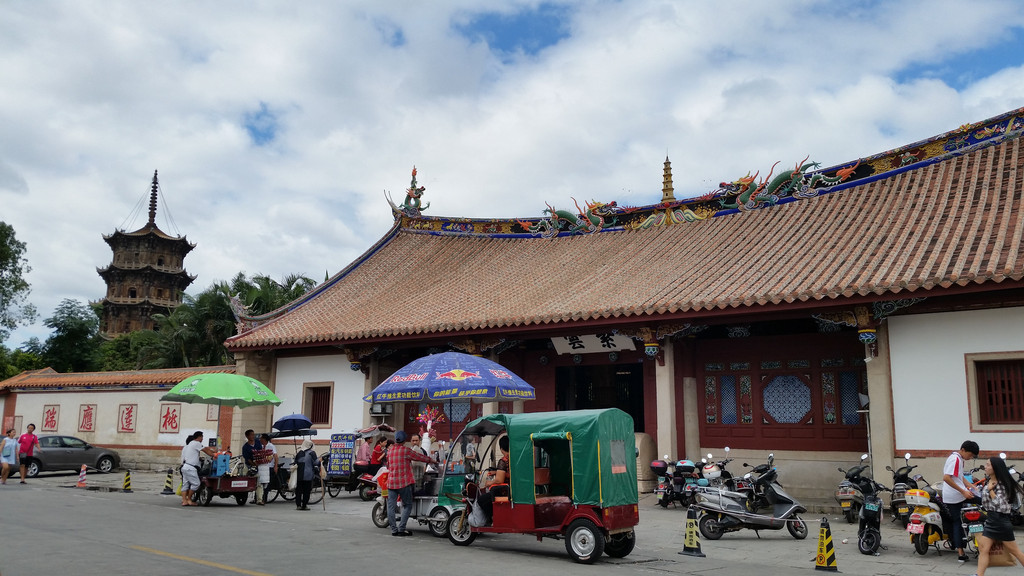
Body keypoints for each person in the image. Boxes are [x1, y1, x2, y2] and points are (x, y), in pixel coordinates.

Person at [974, 456, 1024, 576]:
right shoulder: (989, 481)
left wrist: (991, 491)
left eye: (988, 465)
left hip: (1000, 521)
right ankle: (979, 575)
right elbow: (986, 502)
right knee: (983, 549)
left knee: (1015, 551)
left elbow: (1001, 506)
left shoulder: (1001, 484)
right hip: (992, 519)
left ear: (995, 468)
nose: (985, 467)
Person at [385, 430, 434, 536]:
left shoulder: (390, 451)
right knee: (407, 505)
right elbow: (419, 457)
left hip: (391, 483)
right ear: (405, 440)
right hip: (403, 483)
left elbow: (388, 466)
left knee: (391, 507)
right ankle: (401, 529)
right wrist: (431, 460)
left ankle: (394, 530)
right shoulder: (406, 450)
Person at [942, 439, 981, 562]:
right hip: (955, 496)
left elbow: (959, 476)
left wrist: (971, 486)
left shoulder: (958, 458)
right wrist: (963, 491)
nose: (970, 458)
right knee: (958, 522)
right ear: (963, 450)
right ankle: (960, 552)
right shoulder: (955, 459)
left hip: (958, 494)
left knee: (960, 521)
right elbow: (947, 478)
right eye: (970, 455)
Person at [476, 435, 510, 524]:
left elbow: (499, 480)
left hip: (504, 491)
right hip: (513, 489)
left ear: (501, 448)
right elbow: (510, 474)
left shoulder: (503, 461)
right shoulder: (514, 458)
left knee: (481, 500)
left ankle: (493, 518)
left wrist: (489, 483)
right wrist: (496, 472)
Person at [181, 431, 217, 506]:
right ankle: (189, 499)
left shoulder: (191, 443)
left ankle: (184, 501)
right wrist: (214, 454)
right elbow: (206, 451)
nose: (202, 439)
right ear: (199, 437)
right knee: (196, 484)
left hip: (185, 466)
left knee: (185, 484)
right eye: (202, 437)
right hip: (191, 468)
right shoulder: (197, 443)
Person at [294, 439, 320, 510]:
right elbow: (316, 462)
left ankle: (298, 505)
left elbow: (295, 462)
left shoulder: (299, 453)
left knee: (298, 490)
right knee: (306, 490)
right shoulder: (312, 453)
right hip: (308, 475)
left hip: (299, 474)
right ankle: (304, 505)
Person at [255, 433, 277, 505]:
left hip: (269, 467)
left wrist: (275, 466)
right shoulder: (259, 446)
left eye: (261, 438)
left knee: (266, 483)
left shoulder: (271, 446)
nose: (259, 440)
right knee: (258, 482)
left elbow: (275, 456)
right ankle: (257, 498)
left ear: (264, 439)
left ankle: (264, 499)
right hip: (261, 467)